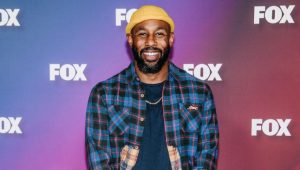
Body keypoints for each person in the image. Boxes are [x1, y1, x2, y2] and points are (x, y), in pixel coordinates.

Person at [85, 5, 219, 170]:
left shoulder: (199, 93)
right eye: (142, 34)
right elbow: (99, 163)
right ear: (130, 39)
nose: (150, 41)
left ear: (170, 39)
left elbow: (206, 157)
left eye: (159, 34)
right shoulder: (105, 94)